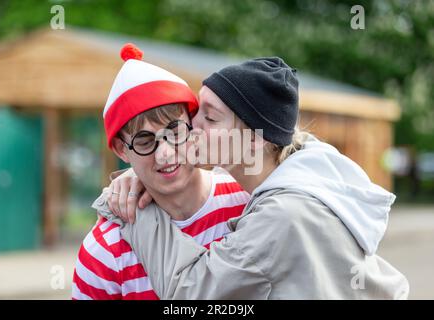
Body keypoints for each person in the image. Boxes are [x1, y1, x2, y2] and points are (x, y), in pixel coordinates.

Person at [98, 56, 410, 299]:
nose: (193, 124)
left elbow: (189, 294)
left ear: (254, 139)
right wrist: (141, 173)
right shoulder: (307, 176)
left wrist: (135, 210)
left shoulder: (283, 215)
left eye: (210, 116)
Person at [71, 44, 250, 300]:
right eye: (145, 141)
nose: (164, 153)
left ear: (193, 124)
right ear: (122, 150)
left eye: (174, 132)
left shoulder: (247, 200)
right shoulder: (103, 250)